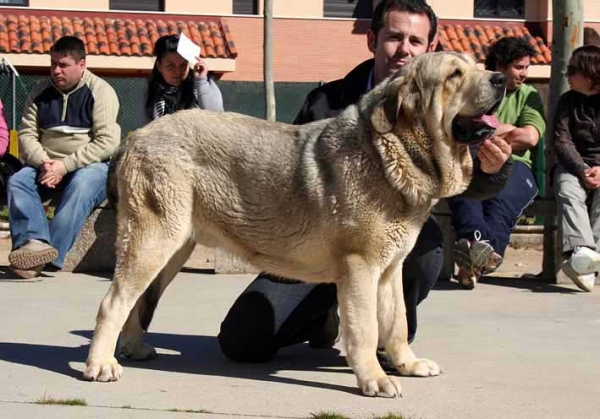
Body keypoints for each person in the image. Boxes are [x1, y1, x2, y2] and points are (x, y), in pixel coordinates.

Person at [218, 0, 513, 366]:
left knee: (424, 249)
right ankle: (324, 317)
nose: (404, 48)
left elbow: (468, 189)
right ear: (373, 39)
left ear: (429, 49)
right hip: (311, 248)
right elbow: (288, 172)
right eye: (394, 37)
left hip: (385, 246)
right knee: (242, 342)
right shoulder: (328, 100)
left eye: (415, 41)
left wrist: (492, 171)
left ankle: (390, 345)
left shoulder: (453, 105)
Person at [6, 36, 121, 279]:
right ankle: (34, 243)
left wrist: (65, 166)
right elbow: (27, 133)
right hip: (45, 164)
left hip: (89, 167)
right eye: (53, 64)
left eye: (64, 65)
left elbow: (108, 142)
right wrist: (44, 162)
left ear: (82, 64)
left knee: (82, 184)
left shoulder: (101, 92)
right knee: (17, 181)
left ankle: (45, 258)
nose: (56, 70)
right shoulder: (40, 91)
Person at [449, 36, 546, 289]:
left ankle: (472, 254)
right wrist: (508, 129)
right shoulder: (478, 88)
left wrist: (487, 129)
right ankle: (481, 254)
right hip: (472, 159)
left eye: (526, 67)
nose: (525, 73)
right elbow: (460, 127)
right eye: (519, 67)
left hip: (518, 166)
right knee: (464, 192)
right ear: (500, 65)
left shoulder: (529, 95)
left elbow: (529, 137)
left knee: (499, 202)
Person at [553, 44, 600, 292]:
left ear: (590, 73)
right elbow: (562, 140)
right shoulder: (567, 101)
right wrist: (583, 169)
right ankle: (584, 252)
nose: (567, 74)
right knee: (567, 188)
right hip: (574, 165)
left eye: (573, 69)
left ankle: (589, 264)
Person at [145, 34, 223, 121]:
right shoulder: (152, 92)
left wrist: (201, 81)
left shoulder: (205, 84)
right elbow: (146, 128)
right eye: (170, 66)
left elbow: (217, 117)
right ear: (159, 66)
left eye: (183, 65)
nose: (178, 71)